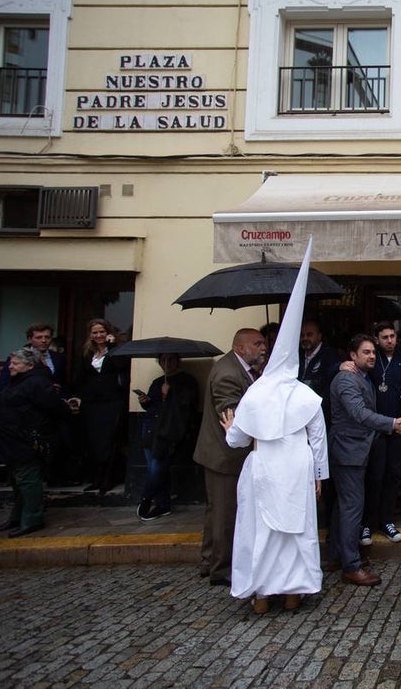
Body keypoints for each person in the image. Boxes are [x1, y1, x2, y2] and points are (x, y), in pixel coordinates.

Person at [218, 242, 331, 614]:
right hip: (297, 465)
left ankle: (262, 594)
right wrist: (319, 475)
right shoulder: (305, 394)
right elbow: (318, 438)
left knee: (261, 532)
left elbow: (236, 440)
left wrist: (233, 425)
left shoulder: (254, 393)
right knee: (296, 532)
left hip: (264, 466)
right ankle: (295, 591)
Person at [328, 334, 401, 587]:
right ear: (352, 356)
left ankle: (338, 554)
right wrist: (393, 423)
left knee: (344, 505)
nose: (372, 356)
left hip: (359, 449)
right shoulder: (346, 379)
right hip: (348, 450)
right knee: (352, 506)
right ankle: (351, 566)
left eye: (373, 352)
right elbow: (359, 413)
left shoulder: (363, 376)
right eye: (366, 352)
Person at [193, 328, 267, 587]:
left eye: (263, 343)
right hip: (224, 456)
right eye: (257, 344)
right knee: (225, 513)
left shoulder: (243, 369)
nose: (263, 348)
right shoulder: (227, 373)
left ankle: (208, 559)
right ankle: (221, 569)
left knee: (216, 511)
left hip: (222, 455)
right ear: (240, 348)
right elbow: (230, 415)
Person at [0, 348, 73, 538]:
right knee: (18, 481)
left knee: (28, 480)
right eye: (11, 363)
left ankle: (32, 518)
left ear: (30, 365)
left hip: (26, 441)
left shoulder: (36, 382)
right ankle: (17, 516)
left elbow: (54, 407)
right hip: (11, 440)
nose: (10, 367)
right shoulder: (19, 380)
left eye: (15, 363)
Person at [364, 322, 401, 546]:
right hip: (374, 427)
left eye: (392, 336)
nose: (389, 340)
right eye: (385, 337)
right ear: (377, 339)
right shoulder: (371, 358)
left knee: (393, 474)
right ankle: (368, 522)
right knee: (373, 475)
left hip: (399, 426)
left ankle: (387, 520)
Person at [135, 353, 199, 522]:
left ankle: (146, 498)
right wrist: (145, 401)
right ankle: (162, 504)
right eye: (163, 360)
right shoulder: (157, 382)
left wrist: (169, 394)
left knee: (157, 465)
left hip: (168, 431)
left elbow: (187, 404)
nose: (167, 364)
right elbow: (153, 406)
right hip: (151, 428)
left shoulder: (186, 380)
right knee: (155, 467)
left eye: (171, 360)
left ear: (178, 361)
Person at [69, 318, 129, 495]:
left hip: (112, 401)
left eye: (102, 332)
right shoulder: (87, 352)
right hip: (92, 403)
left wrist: (112, 346)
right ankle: (96, 478)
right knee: (93, 442)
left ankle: (107, 480)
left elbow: (121, 366)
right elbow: (80, 377)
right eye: (95, 332)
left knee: (109, 442)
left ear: (108, 332)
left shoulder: (117, 350)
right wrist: (78, 396)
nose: (99, 335)